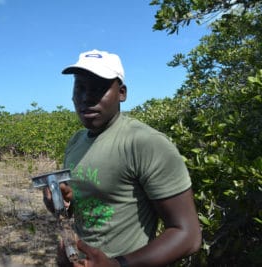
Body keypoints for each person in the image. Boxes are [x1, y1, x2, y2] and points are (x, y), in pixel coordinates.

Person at [43, 49, 201, 267]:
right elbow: (88, 208)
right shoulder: (76, 142)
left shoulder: (145, 143)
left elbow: (188, 235)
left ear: (122, 93)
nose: (86, 97)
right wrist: (61, 203)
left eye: (98, 88)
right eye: (80, 87)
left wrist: (117, 265)